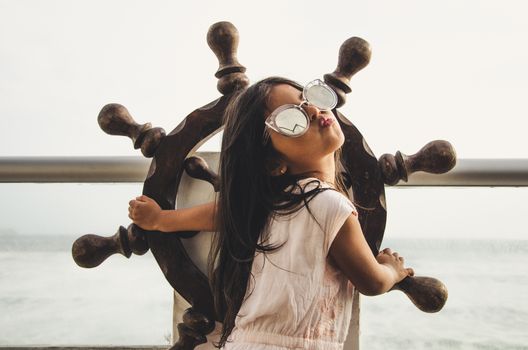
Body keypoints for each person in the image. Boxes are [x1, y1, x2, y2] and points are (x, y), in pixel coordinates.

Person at [128, 77, 414, 350]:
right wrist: (392, 270)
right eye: (291, 119)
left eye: (308, 97)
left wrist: (161, 220)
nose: (313, 110)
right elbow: (372, 282)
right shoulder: (332, 207)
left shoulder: (269, 204)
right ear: (272, 162)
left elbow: (224, 214)